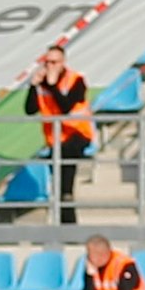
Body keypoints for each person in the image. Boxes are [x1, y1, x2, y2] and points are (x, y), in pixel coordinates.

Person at [25, 46, 92, 225]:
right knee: (59, 181)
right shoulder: (42, 83)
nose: (50, 66)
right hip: (55, 138)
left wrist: (53, 85)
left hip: (77, 133)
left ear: (63, 63)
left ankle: (68, 221)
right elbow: (30, 109)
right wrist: (33, 86)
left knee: (65, 176)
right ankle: (65, 221)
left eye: (54, 62)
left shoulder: (76, 80)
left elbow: (65, 107)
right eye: (47, 62)